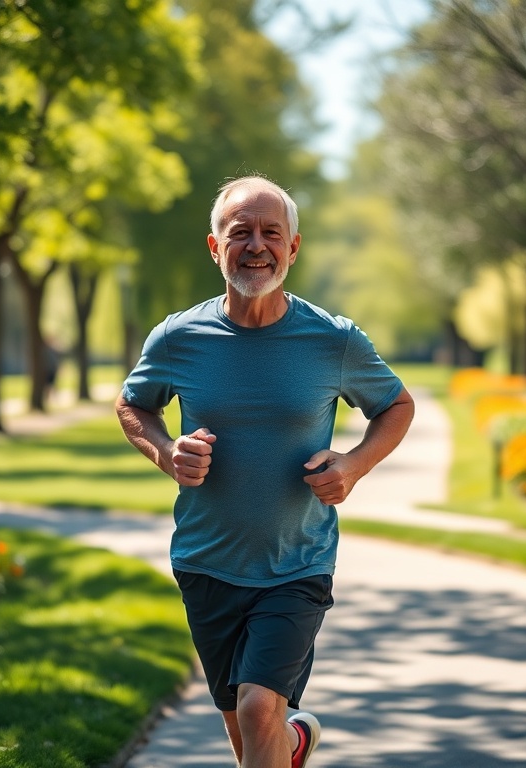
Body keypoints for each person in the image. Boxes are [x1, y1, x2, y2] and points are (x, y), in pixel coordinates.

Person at [116, 175, 415, 768]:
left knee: (257, 711)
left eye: (271, 233)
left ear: (293, 247)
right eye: (240, 233)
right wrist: (166, 451)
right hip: (206, 561)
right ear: (215, 247)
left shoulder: (332, 339)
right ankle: (293, 745)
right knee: (249, 733)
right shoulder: (178, 337)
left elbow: (396, 406)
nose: (257, 246)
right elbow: (133, 405)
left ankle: (285, 739)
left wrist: (354, 465)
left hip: (296, 564)